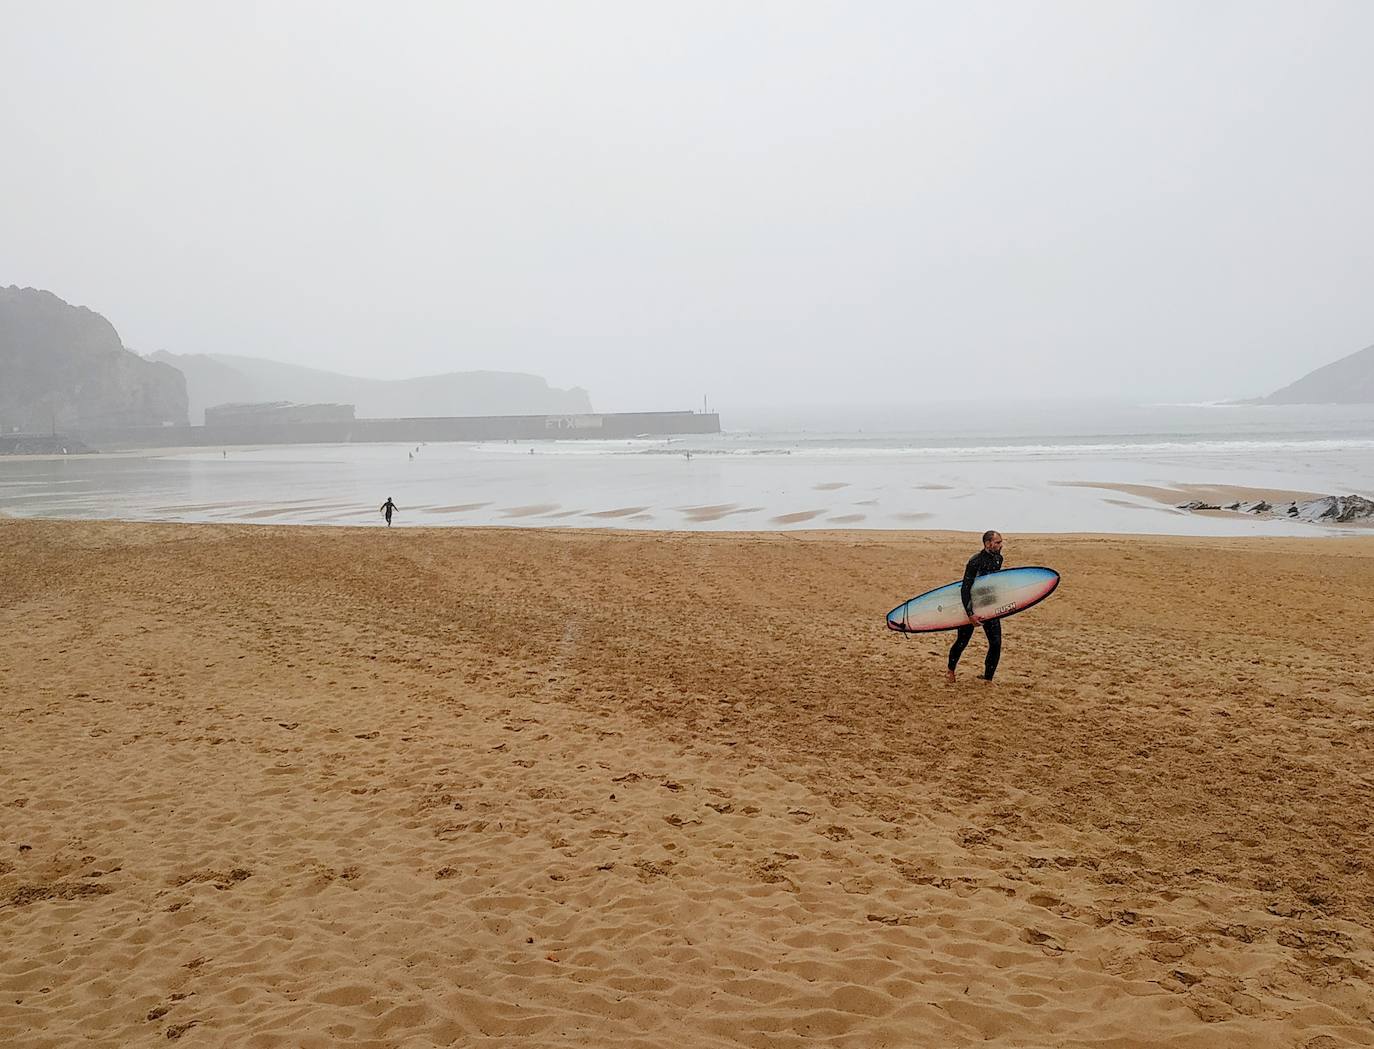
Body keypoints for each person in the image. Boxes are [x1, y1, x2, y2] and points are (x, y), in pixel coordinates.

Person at [946, 530, 1004, 683]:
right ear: (987, 543)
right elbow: (966, 588)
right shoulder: (975, 562)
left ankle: (988, 678)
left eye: (1000, 542)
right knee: (962, 641)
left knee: (996, 643)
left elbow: (994, 584)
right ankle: (950, 670)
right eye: (997, 542)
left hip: (989, 606)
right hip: (971, 605)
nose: (1000, 545)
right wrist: (970, 613)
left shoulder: (999, 558)